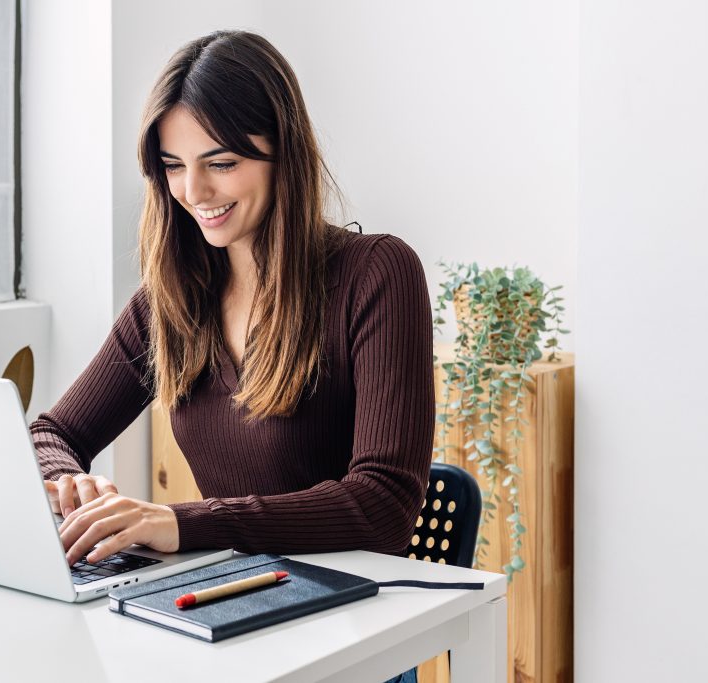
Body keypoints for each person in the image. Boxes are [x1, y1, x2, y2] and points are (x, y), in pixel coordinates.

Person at [30, 30, 431, 683]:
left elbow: (383, 505)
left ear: (282, 152)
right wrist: (72, 481)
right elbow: (53, 431)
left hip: (346, 639)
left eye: (220, 162)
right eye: (172, 164)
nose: (194, 190)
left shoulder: (376, 274)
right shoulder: (170, 302)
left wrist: (176, 523)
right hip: (227, 624)